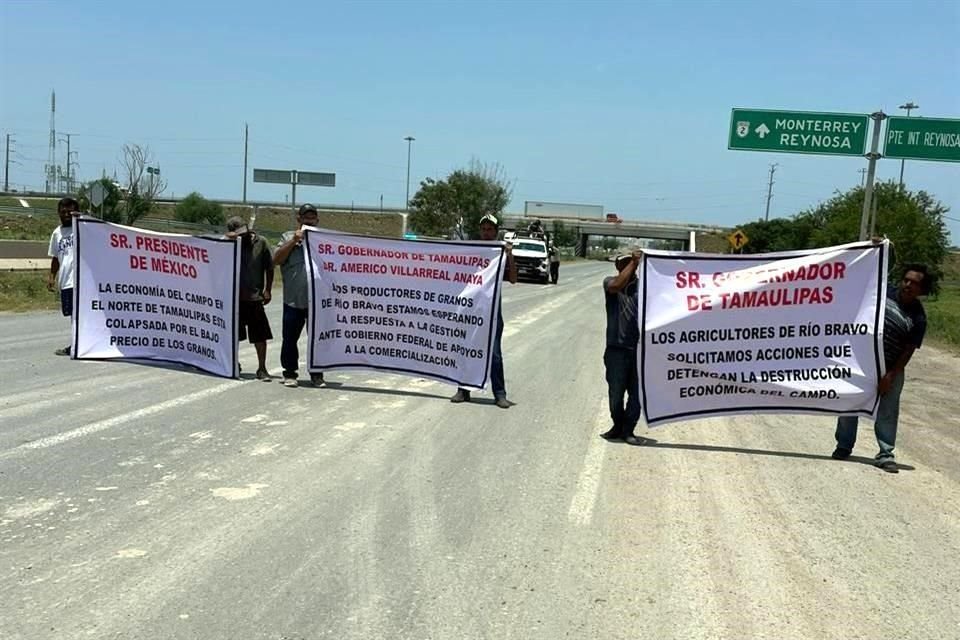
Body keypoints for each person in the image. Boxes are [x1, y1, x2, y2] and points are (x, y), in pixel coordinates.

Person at [832, 261, 931, 473]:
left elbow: (908, 350)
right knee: (851, 403)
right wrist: (874, 247)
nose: (908, 285)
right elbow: (870, 272)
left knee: (887, 411)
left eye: (914, 283)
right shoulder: (883, 293)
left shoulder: (918, 317)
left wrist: (891, 375)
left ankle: (885, 454)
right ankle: (843, 446)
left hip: (891, 367)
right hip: (862, 362)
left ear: (921, 290)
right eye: (906, 280)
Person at [450, 213, 518, 409]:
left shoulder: (499, 253)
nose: (487, 232)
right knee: (465, 348)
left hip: (491, 314)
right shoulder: (472, 251)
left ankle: (500, 394)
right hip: (469, 311)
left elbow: (513, 279)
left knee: (494, 354)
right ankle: (463, 390)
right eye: (484, 229)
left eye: (490, 229)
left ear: (496, 232)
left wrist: (510, 255)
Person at [273, 203, 325, 388]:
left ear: (317, 220)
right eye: (305, 217)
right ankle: (289, 373)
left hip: (317, 302)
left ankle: (317, 374)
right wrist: (293, 241)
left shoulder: (324, 240)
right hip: (293, 300)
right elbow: (276, 259)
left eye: (312, 218)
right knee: (290, 339)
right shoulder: (288, 237)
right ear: (299, 220)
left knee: (318, 340)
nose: (309, 220)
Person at [600, 251, 645, 445]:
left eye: (631, 262)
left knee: (637, 394)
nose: (629, 265)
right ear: (617, 266)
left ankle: (628, 430)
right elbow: (617, 285)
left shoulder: (644, 287)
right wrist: (634, 262)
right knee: (615, 394)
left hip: (639, 350)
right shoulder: (610, 283)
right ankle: (617, 425)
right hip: (616, 349)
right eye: (624, 263)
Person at [226, 216, 274, 380]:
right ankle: (233, 363)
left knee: (260, 336)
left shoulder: (261, 242)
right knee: (233, 335)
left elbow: (270, 267)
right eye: (237, 233)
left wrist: (267, 290)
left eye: (242, 232)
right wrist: (227, 240)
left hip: (254, 297)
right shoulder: (230, 244)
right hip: (234, 299)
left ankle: (262, 368)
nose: (242, 236)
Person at [47, 197, 81, 355]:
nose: (67, 214)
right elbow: (55, 257)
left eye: (70, 211)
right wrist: (51, 276)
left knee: (79, 314)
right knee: (72, 315)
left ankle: (77, 345)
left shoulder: (84, 228)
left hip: (82, 281)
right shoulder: (57, 233)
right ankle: (78, 344)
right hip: (66, 281)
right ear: (58, 213)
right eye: (63, 211)